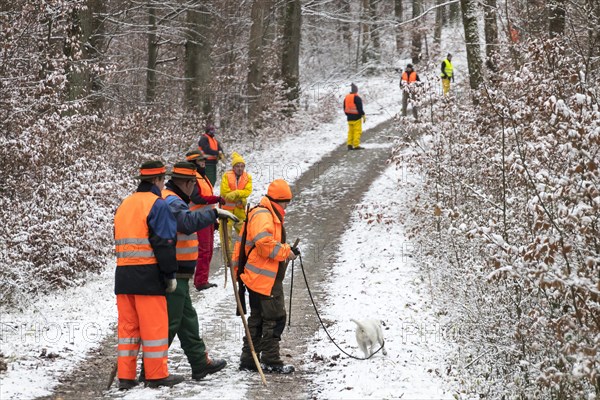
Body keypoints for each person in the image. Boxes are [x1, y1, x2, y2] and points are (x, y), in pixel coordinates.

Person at [160, 161, 239, 381]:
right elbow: (184, 223)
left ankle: (199, 363)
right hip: (174, 272)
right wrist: (213, 214)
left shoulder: (173, 198)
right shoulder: (171, 200)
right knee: (170, 323)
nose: (194, 189)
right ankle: (153, 369)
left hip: (181, 273)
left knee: (187, 320)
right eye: (193, 184)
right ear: (185, 183)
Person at [113, 160, 184, 390]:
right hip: (148, 275)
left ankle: (126, 377)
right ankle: (156, 375)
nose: (164, 184)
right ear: (156, 180)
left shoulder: (125, 204)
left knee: (128, 329)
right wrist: (170, 274)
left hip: (123, 276)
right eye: (163, 180)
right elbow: (164, 242)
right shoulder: (157, 204)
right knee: (154, 327)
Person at [233, 179, 299, 374]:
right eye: (286, 202)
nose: (286, 207)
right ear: (280, 200)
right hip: (263, 279)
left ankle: (249, 359)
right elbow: (264, 245)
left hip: (257, 277)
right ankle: (270, 360)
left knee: (258, 319)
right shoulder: (264, 215)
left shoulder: (265, 212)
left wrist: (286, 250)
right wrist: (286, 252)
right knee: (275, 317)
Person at [186, 150, 226, 291]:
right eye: (200, 161)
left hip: (207, 219)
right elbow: (197, 198)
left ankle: (203, 279)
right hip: (198, 220)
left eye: (203, 161)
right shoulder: (193, 178)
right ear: (193, 163)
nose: (204, 163)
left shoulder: (203, 177)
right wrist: (216, 199)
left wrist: (213, 219)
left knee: (208, 250)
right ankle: (200, 281)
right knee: (204, 251)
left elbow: (206, 200)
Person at [219, 151, 253, 261]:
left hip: (240, 212)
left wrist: (236, 194)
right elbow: (225, 192)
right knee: (225, 237)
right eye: (238, 166)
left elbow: (247, 191)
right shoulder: (226, 176)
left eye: (242, 166)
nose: (240, 168)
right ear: (233, 167)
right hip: (226, 212)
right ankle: (228, 259)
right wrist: (240, 197)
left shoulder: (247, 177)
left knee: (245, 235)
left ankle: (246, 255)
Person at [343, 83, 366, 150]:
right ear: (356, 90)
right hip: (357, 118)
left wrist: (348, 114)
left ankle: (349, 145)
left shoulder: (346, 98)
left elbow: (344, 107)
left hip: (349, 118)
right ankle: (356, 145)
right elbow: (360, 108)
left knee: (350, 132)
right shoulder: (357, 98)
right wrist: (362, 114)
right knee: (357, 131)